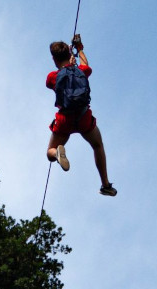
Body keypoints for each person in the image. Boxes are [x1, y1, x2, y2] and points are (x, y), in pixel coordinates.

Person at [46, 33, 116, 196]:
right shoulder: (81, 71)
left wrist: (66, 67)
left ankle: (57, 154)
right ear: (69, 55)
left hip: (64, 120)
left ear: (54, 59)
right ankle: (105, 184)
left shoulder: (52, 77)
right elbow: (86, 65)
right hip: (83, 117)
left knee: (50, 150)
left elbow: (50, 83)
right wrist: (79, 49)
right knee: (97, 145)